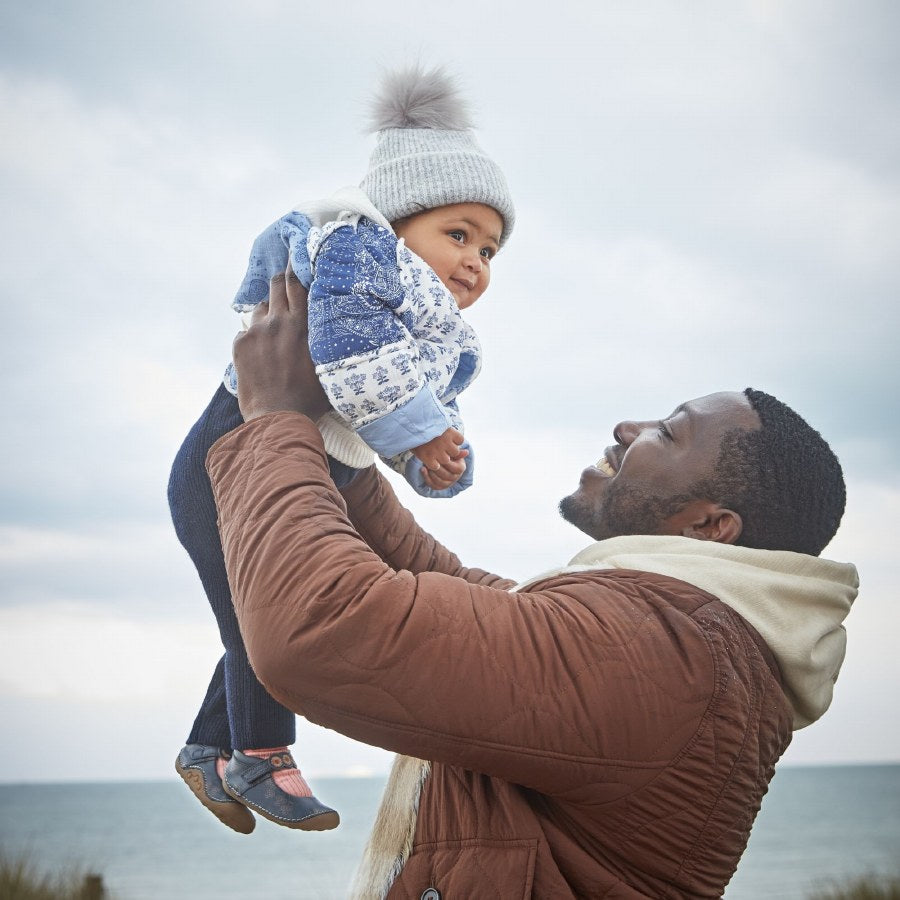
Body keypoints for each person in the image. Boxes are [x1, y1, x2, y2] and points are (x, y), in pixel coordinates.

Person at [203, 271, 859, 897]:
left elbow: (325, 626)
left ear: (710, 526)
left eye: (669, 431)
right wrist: (338, 446)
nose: (628, 429)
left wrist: (274, 422)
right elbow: (442, 584)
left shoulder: (664, 657)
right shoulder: (680, 639)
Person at [169, 65, 514, 834]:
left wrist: (438, 459)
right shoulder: (357, 252)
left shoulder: (430, 325)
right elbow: (358, 365)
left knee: (246, 618)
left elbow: (412, 407)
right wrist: (419, 433)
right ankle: (258, 749)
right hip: (227, 465)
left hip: (297, 469)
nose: (475, 262)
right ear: (399, 220)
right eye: (457, 235)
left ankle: (205, 748)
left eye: (490, 251)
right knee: (256, 620)